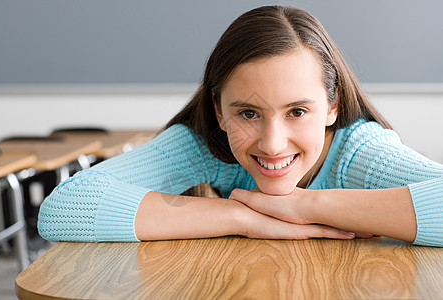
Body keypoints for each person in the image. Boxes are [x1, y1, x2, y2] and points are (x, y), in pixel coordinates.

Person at [38, 5, 443, 246]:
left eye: (297, 112)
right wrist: (244, 218)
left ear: (333, 106)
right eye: (248, 113)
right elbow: (64, 209)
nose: (272, 144)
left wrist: (304, 206)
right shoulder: (205, 145)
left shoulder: (360, 152)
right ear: (218, 110)